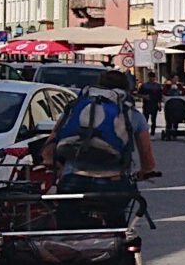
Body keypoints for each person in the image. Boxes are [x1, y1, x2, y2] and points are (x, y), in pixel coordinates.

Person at [44, 69, 160, 224]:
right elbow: (148, 161)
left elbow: (50, 147)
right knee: (117, 226)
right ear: (125, 89)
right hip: (113, 183)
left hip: (74, 181)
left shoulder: (76, 109)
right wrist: (146, 172)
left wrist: (52, 163)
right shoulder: (133, 115)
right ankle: (116, 241)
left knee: (66, 225)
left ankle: (67, 242)